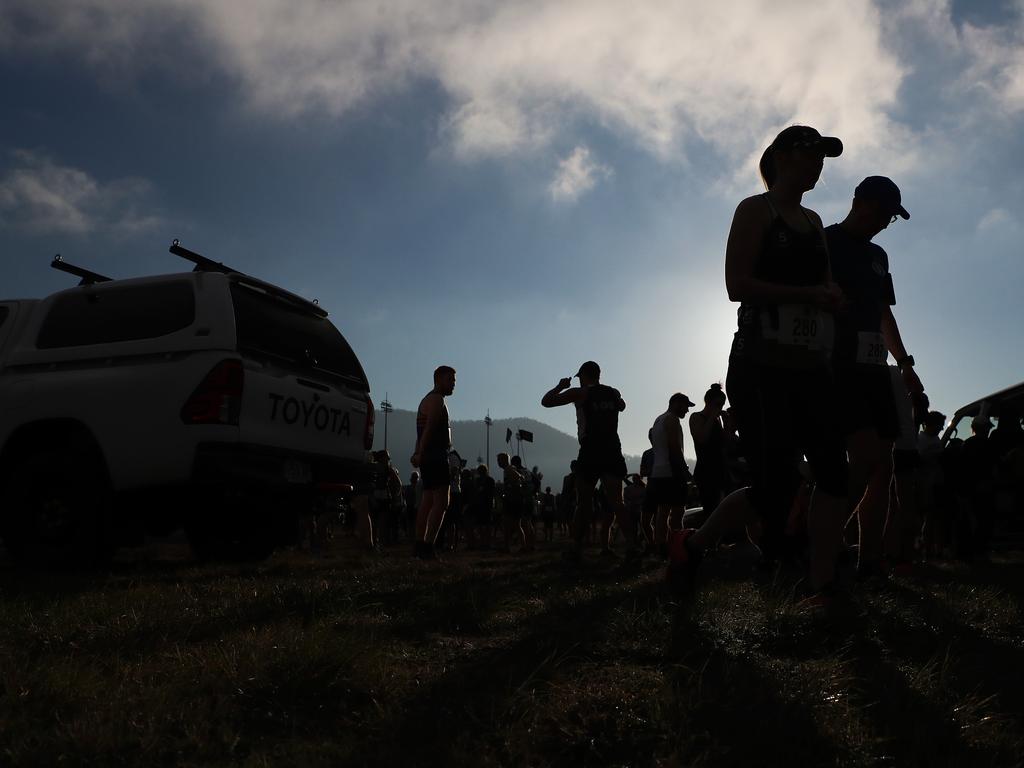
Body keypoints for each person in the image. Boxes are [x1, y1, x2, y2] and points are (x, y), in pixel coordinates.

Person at [669, 125, 850, 598]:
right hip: (760, 365)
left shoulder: (813, 222)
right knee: (774, 486)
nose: (819, 167)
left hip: (810, 366)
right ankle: (692, 544)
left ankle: (822, 580)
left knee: (834, 472)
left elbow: (827, 287)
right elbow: (737, 284)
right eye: (813, 155)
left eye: (824, 159)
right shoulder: (756, 210)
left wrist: (831, 298)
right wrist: (808, 294)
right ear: (785, 156)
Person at [825, 176, 924, 580]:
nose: (886, 222)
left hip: (874, 369)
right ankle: (823, 544)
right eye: (884, 212)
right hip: (838, 365)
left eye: (892, 217)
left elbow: (884, 313)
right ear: (859, 202)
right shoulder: (825, 241)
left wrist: (904, 363)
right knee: (863, 460)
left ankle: (870, 561)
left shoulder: (879, 256)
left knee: (883, 466)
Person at [541, 361, 633, 561]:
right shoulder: (613, 392)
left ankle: (575, 547)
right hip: (612, 448)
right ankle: (633, 546)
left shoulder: (580, 393)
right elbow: (622, 406)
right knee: (618, 501)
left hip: (591, 448)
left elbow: (546, 402)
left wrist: (560, 386)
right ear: (599, 374)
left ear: (583, 375)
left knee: (584, 503)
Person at [411, 365, 456, 559]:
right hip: (436, 456)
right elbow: (428, 429)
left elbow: (421, 432)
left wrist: (418, 452)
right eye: (450, 380)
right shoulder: (437, 400)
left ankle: (420, 545)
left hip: (429, 456)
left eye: (454, 381)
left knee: (428, 501)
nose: (453, 384)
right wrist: (420, 453)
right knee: (442, 502)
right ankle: (428, 546)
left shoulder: (427, 400)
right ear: (438, 380)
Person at [649, 393, 695, 554]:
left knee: (662, 511)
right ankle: (678, 546)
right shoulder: (672, 419)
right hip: (671, 472)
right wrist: (685, 471)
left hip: (658, 472)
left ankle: (661, 545)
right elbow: (674, 447)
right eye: (686, 406)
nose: (687, 410)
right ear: (676, 403)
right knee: (678, 511)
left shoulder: (658, 420)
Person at [689, 384, 730, 518]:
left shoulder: (717, 420)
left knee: (725, 510)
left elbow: (726, 444)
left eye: (722, 404)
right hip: (706, 472)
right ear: (708, 402)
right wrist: (712, 416)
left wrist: (727, 424)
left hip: (721, 470)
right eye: (718, 404)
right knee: (711, 511)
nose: (720, 408)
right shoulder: (696, 417)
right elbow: (702, 438)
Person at [497, 452, 528, 552]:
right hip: (515, 500)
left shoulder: (508, 469)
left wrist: (510, 488)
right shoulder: (510, 468)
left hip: (512, 500)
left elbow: (518, 478)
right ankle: (522, 546)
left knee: (508, 524)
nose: (498, 462)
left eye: (499, 460)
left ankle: (507, 547)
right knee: (515, 525)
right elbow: (520, 478)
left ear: (504, 460)